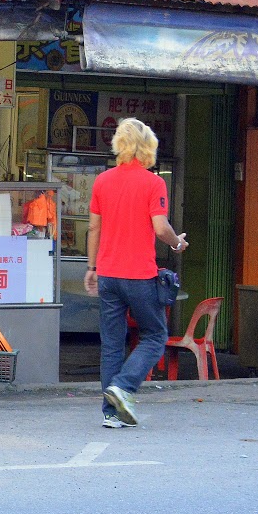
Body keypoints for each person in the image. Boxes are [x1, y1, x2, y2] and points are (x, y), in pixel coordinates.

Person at [85, 117, 187, 429]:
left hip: (108, 274)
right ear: (147, 148)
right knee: (155, 335)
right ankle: (124, 386)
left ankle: (111, 413)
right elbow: (160, 227)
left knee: (112, 344)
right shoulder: (154, 183)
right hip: (140, 275)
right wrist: (176, 242)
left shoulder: (103, 181)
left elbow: (93, 227)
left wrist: (91, 268)